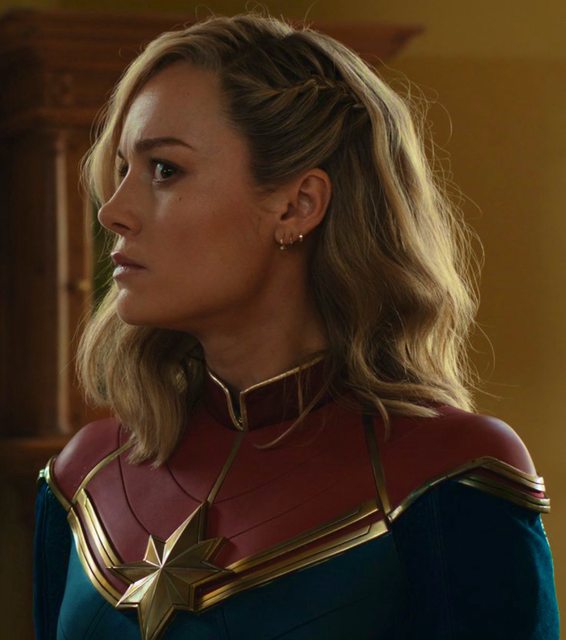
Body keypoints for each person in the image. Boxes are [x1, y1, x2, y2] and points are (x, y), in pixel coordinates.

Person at [33, 12, 559, 640]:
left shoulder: (445, 474)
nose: (113, 210)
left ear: (298, 204)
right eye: (121, 169)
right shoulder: (82, 478)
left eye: (165, 169)